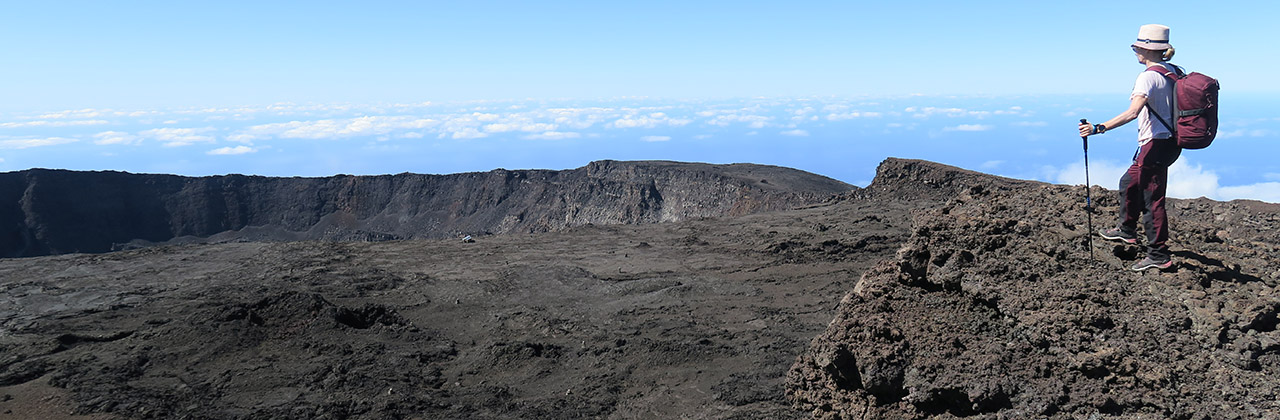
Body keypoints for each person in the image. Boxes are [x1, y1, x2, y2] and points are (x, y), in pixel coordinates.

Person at [1078, 24, 1183, 272]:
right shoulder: (1174, 71)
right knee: (1129, 182)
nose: (1135, 51)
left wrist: (1098, 128)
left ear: (1145, 50)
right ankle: (1127, 231)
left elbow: (1133, 112)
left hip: (1155, 145)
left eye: (1137, 47)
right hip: (1168, 143)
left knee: (1152, 199)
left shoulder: (1147, 77)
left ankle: (1158, 255)